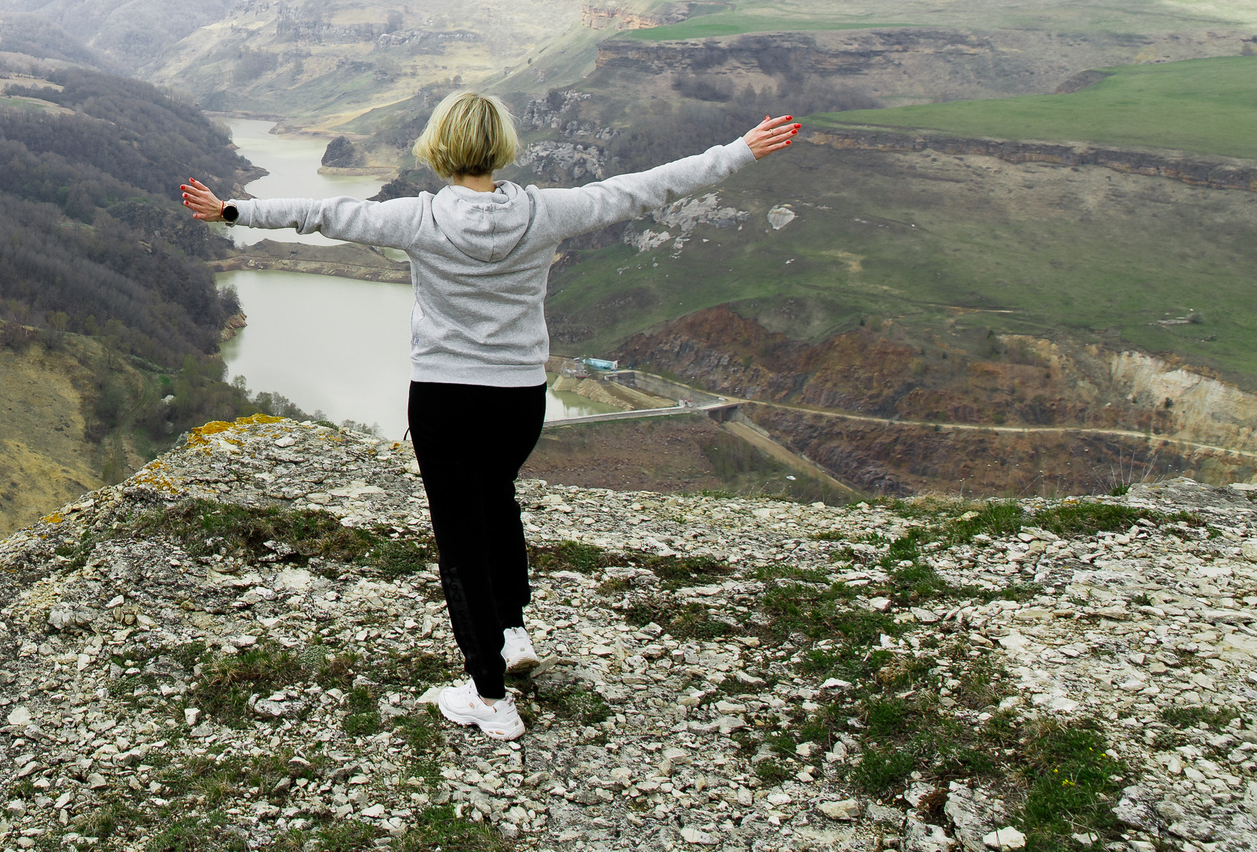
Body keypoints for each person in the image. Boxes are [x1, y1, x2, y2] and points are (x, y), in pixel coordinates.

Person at [180, 94, 803, 741]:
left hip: (448, 397)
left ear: (438, 145)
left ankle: (489, 696)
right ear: (502, 143)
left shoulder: (418, 218)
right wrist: (739, 150)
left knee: (460, 544)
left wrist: (233, 210)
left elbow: (324, 213)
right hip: (518, 397)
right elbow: (639, 190)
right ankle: (509, 632)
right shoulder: (545, 211)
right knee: (497, 497)